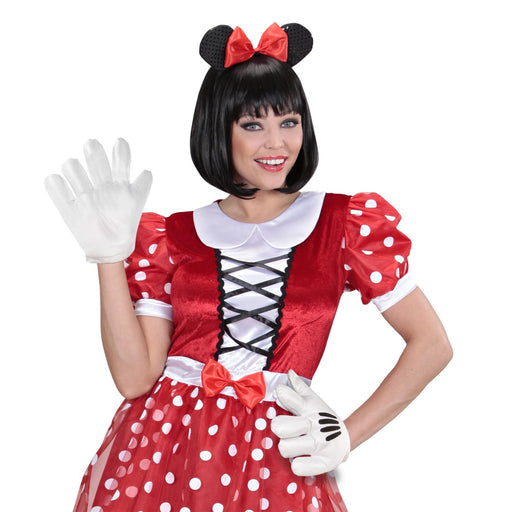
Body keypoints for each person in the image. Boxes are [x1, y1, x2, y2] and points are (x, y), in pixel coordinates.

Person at [45, 22, 452, 512]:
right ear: (220, 129)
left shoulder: (343, 224)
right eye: (253, 125)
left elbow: (432, 344)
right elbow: (135, 380)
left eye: (289, 122)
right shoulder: (172, 235)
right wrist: (109, 257)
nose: (276, 143)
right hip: (165, 450)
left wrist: (346, 435)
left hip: (278, 453)